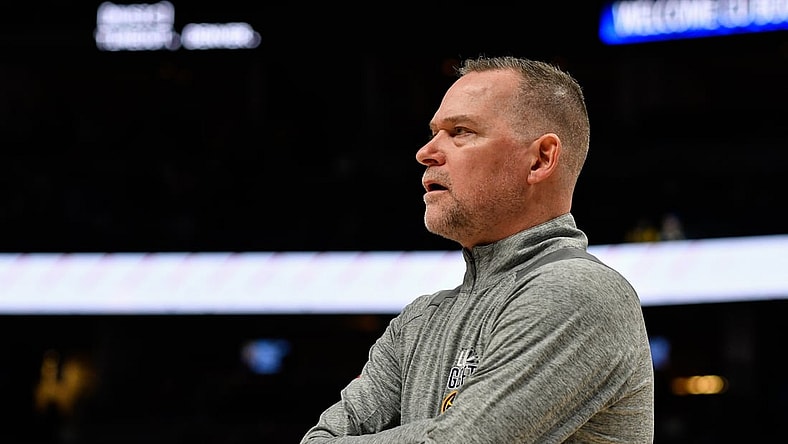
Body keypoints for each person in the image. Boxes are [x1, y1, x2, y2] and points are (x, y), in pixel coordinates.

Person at [300, 55, 655, 443]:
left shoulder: (582, 292)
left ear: (540, 159)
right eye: (434, 132)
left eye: (461, 131)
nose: (426, 152)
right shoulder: (419, 320)